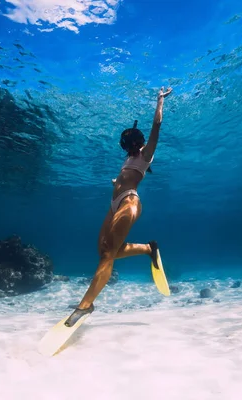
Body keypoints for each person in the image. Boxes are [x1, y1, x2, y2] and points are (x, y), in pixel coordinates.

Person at [65, 86, 173, 327]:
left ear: (135, 142)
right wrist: (117, 182)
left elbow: (156, 127)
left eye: (127, 142)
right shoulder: (129, 158)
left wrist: (159, 101)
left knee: (107, 256)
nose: (126, 146)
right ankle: (148, 249)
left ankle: (85, 306)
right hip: (115, 204)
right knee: (103, 250)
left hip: (129, 203)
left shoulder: (146, 154)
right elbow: (126, 176)